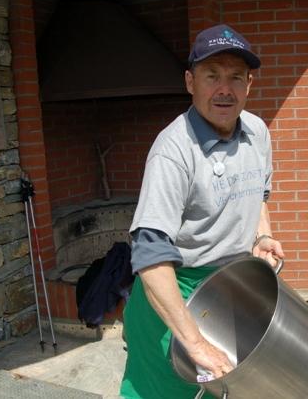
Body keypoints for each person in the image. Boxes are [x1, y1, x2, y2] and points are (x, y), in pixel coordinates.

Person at [119, 24, 285, 399]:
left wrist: (261, 235)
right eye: (212, 76)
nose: (224, 89)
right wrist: (194, 343)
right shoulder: (173, 152)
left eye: (235, 77)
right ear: (190, 82)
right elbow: (150, 256)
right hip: (175, 295)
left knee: (226, 388)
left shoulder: (257, 132)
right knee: (165, 392)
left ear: (249, 85)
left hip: (231, 289)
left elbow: (258, 193)